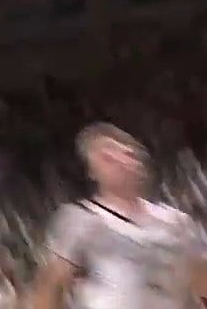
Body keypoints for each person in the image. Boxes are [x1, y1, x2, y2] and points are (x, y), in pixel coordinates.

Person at [31, 122, 207, 309]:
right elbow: (50, 290)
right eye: (108, 157)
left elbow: (201, 280)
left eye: (128, 154)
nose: (120, 161)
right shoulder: (80, 220)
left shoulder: (176, 222)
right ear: (92, 172)